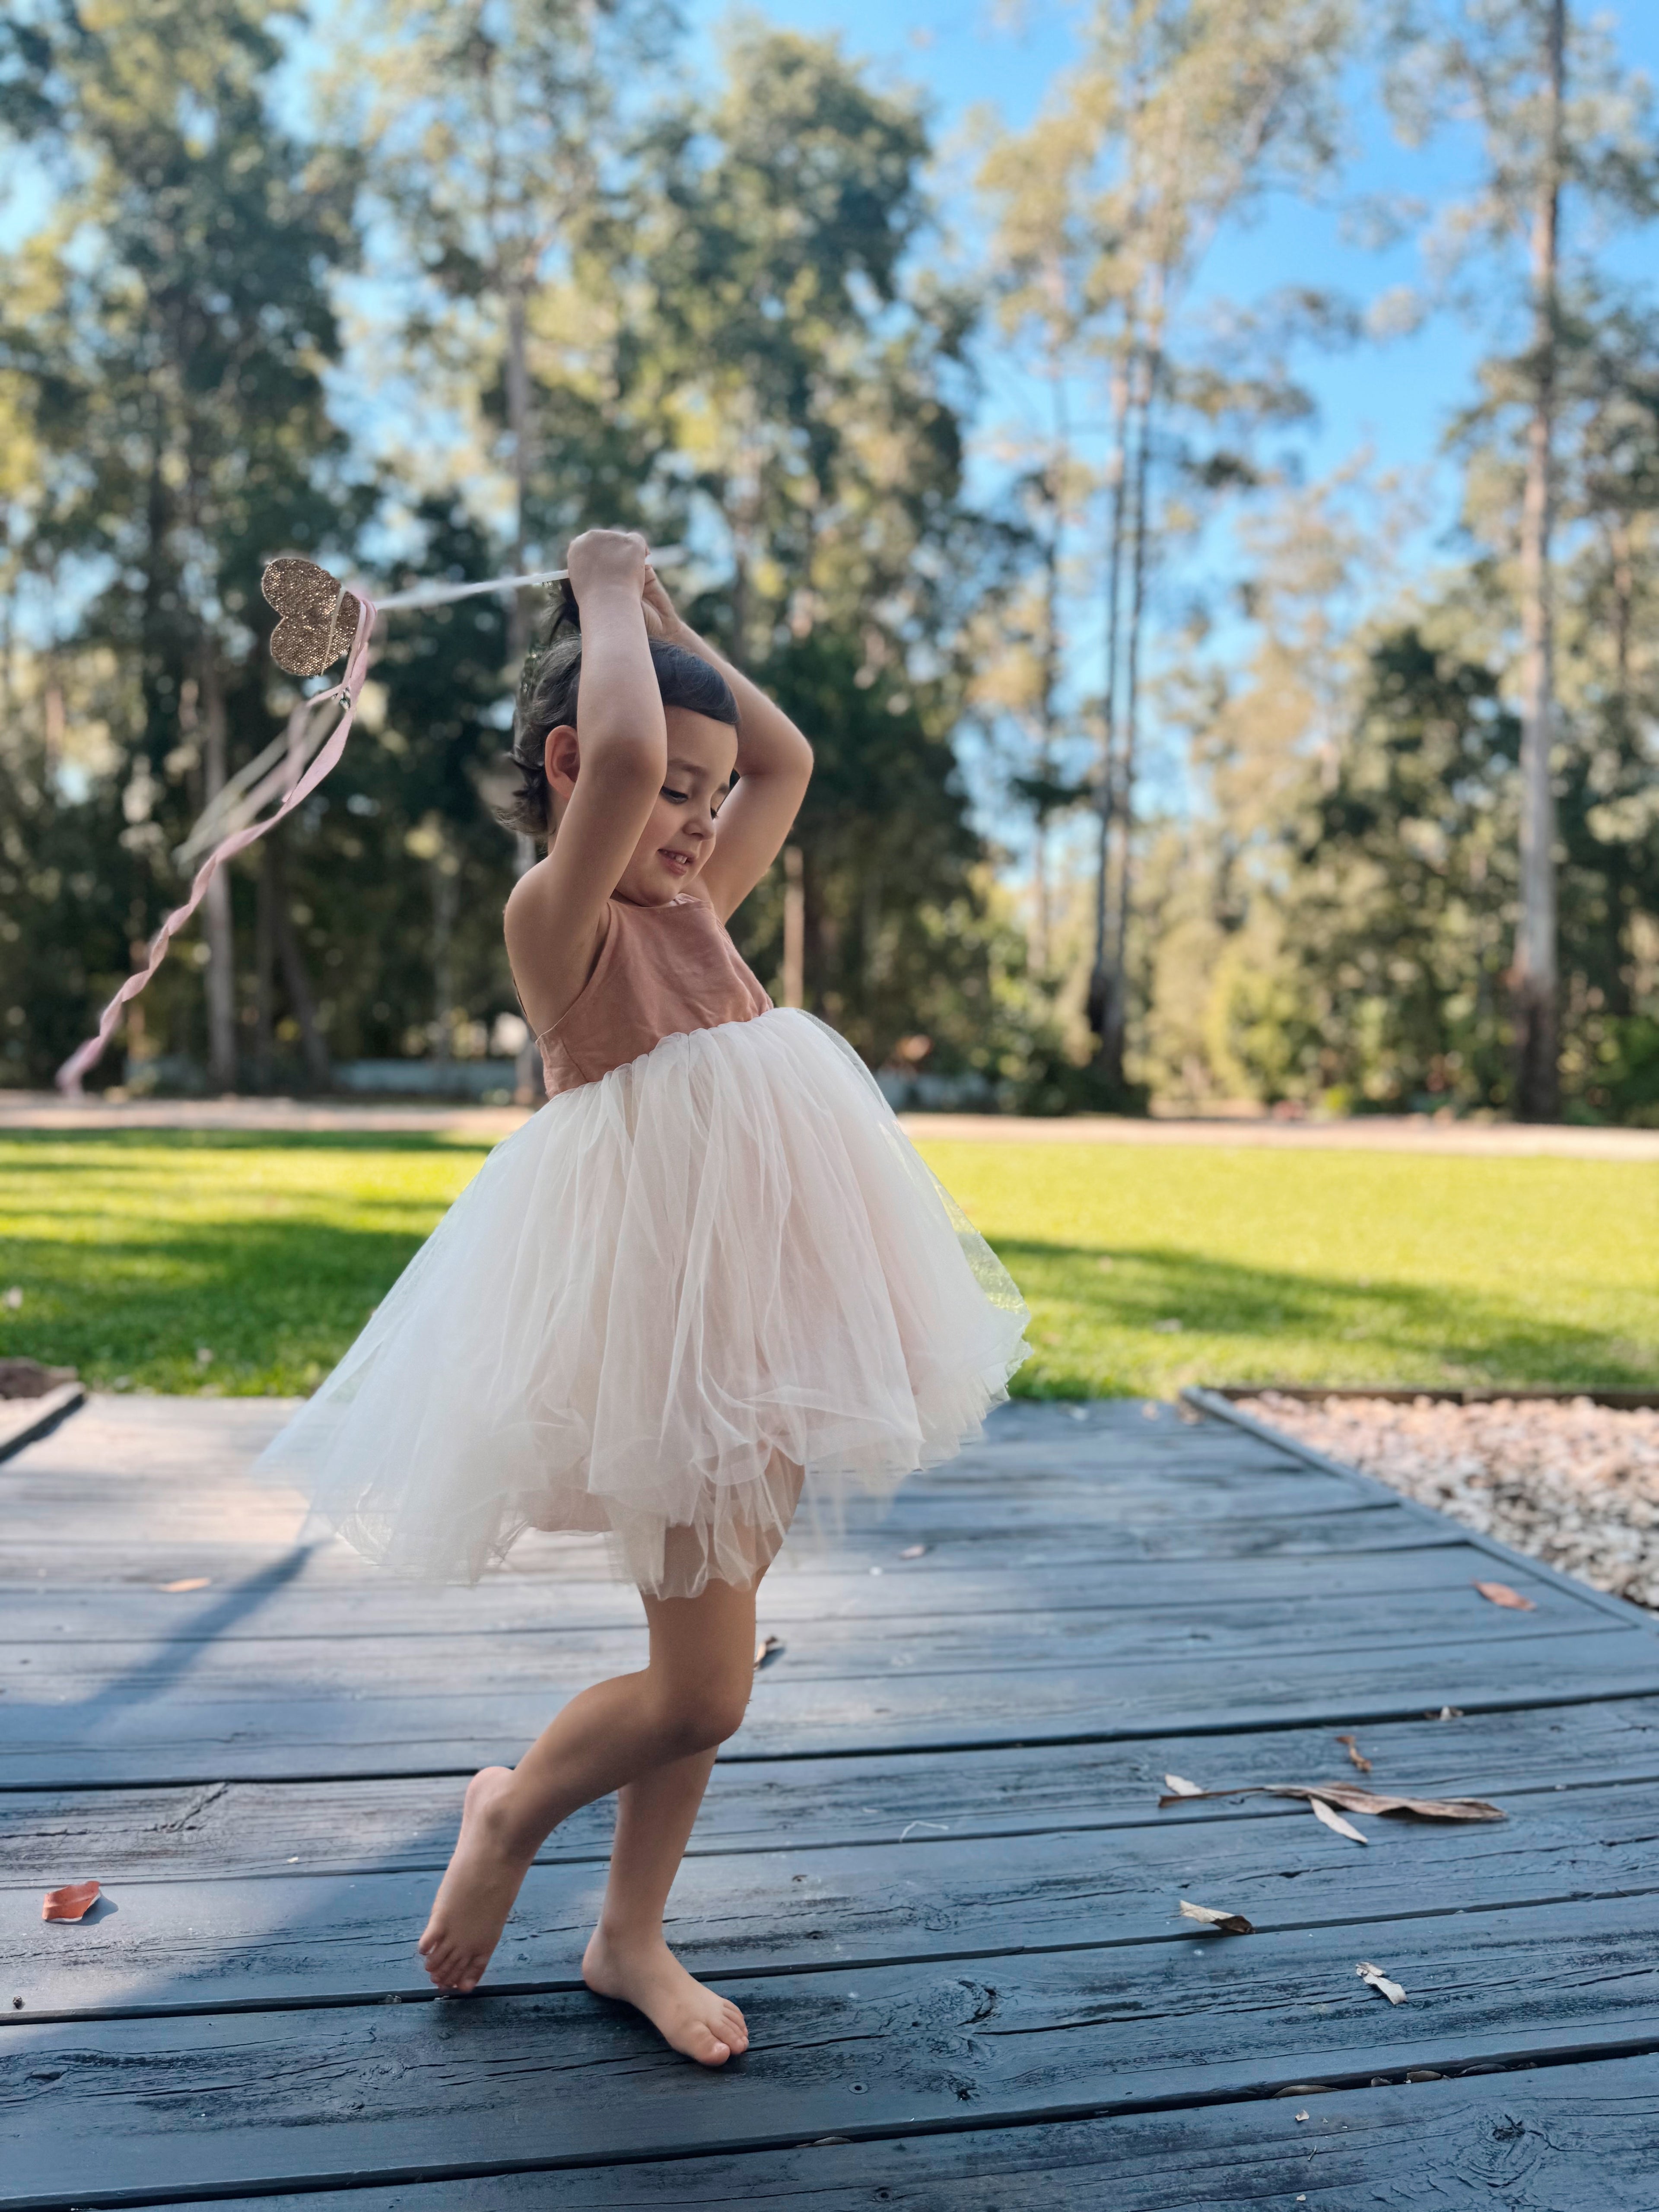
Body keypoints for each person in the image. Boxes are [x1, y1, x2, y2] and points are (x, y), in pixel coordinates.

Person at [257, 529, 1029, 2064]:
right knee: (704, 1691)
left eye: (701, 794)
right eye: (669, 790)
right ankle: (511, 1811)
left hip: (761, 1318)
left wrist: (664, 619)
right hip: (652, 1331)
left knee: (704, 1682)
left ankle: (628, 1936)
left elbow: (787, 761)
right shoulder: (564, 920)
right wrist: (605, 591)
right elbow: (618, 758)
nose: (692, 819)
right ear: (567, 765)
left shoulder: (699, 906)